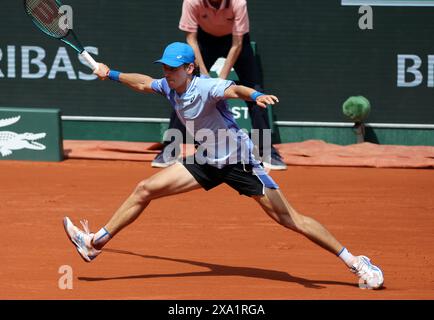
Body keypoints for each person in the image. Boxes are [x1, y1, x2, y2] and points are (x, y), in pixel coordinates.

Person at [63, 42, 384, 290]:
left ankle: (356, 262)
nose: (167, 73)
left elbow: (233, 89)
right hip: (207, 159)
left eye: (173, 69)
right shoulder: (168, 86)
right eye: (165, 68)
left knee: (290, 219)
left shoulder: (205, 87)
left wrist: (255, 95)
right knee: (144, 189)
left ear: (190, 68)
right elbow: (144, 83)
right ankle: (94, 244)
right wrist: (112, 74)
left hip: (240, 162)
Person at [151, 0, 287, 170]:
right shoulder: (192, 2)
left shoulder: (238, 3)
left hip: (237, 43)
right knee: (183, 87)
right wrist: (204, 75)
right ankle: (170, 149)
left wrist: (220, 79)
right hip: (203, 41)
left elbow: (237, 44)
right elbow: (191, 39)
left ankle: (267, 151)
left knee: (255, 92)